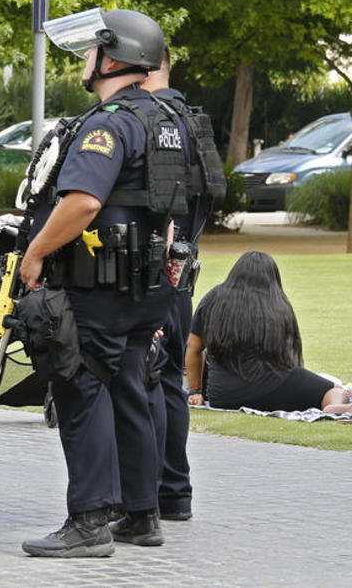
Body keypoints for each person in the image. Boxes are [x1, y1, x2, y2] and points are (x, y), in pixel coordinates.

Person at [20, 8, 184, 557]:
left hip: (102, 286)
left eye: (91, 51)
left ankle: (89, 520)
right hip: (150, 287)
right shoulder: (168, 118)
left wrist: (37, 251)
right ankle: (141, 515)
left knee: (81, 386)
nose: (84, 60)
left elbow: (84, 201)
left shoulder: (109, 121)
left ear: (114, 57)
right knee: (131, 386)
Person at [140, 46, 218, 522]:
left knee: (143, 379)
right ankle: (174, 491)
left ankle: (145, 496)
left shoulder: (155, 122)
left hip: (152, 273)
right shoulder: (191, 122)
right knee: (168, 378)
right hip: (181, 271)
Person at [185, 252, 352, 413]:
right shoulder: (278, 305)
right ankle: (333, 406)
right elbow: (290, 358)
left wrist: (195, 391)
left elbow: (193, 348)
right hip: (272, 386)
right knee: (335, 390)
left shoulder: (212, 298)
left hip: (222, 396)